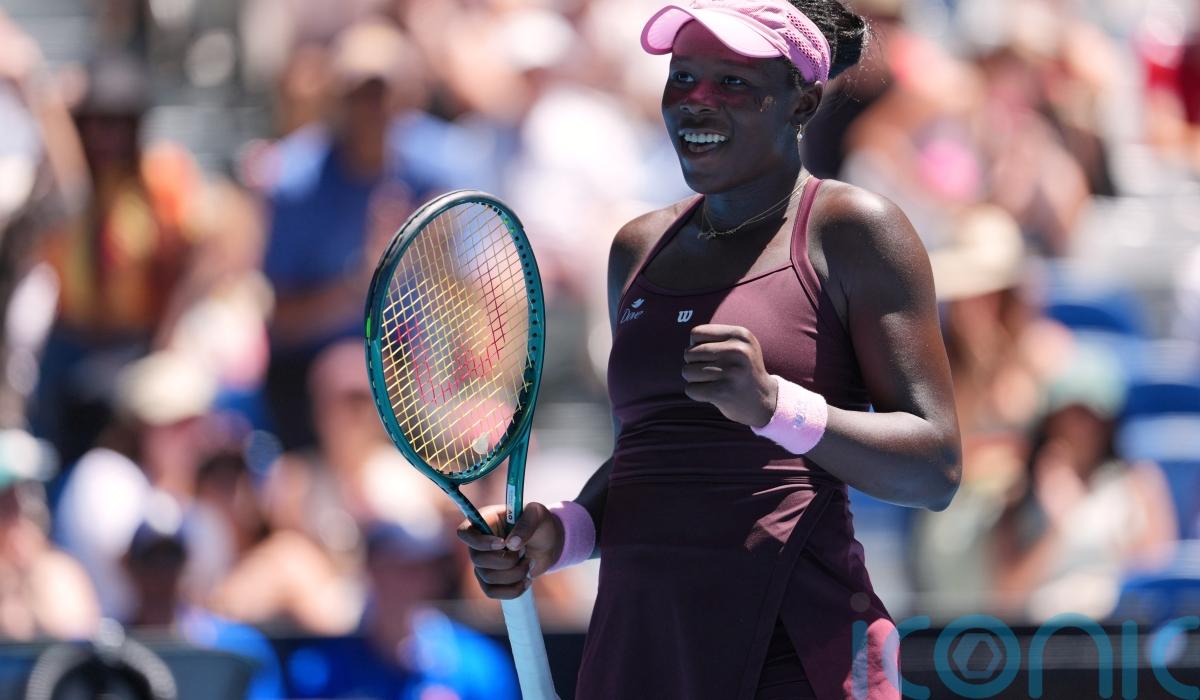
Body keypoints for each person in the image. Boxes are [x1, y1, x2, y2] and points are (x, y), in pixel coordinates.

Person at [458, 2, 962, 698]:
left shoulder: (854, 230)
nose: (696, 100)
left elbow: (935, 469)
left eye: (731, 83)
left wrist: (775, 406)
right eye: (683, 77)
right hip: (643, 653)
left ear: (802, 101)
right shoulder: (636, 249)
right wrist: (563, 533)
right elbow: (653, 458)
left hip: (796, 655)